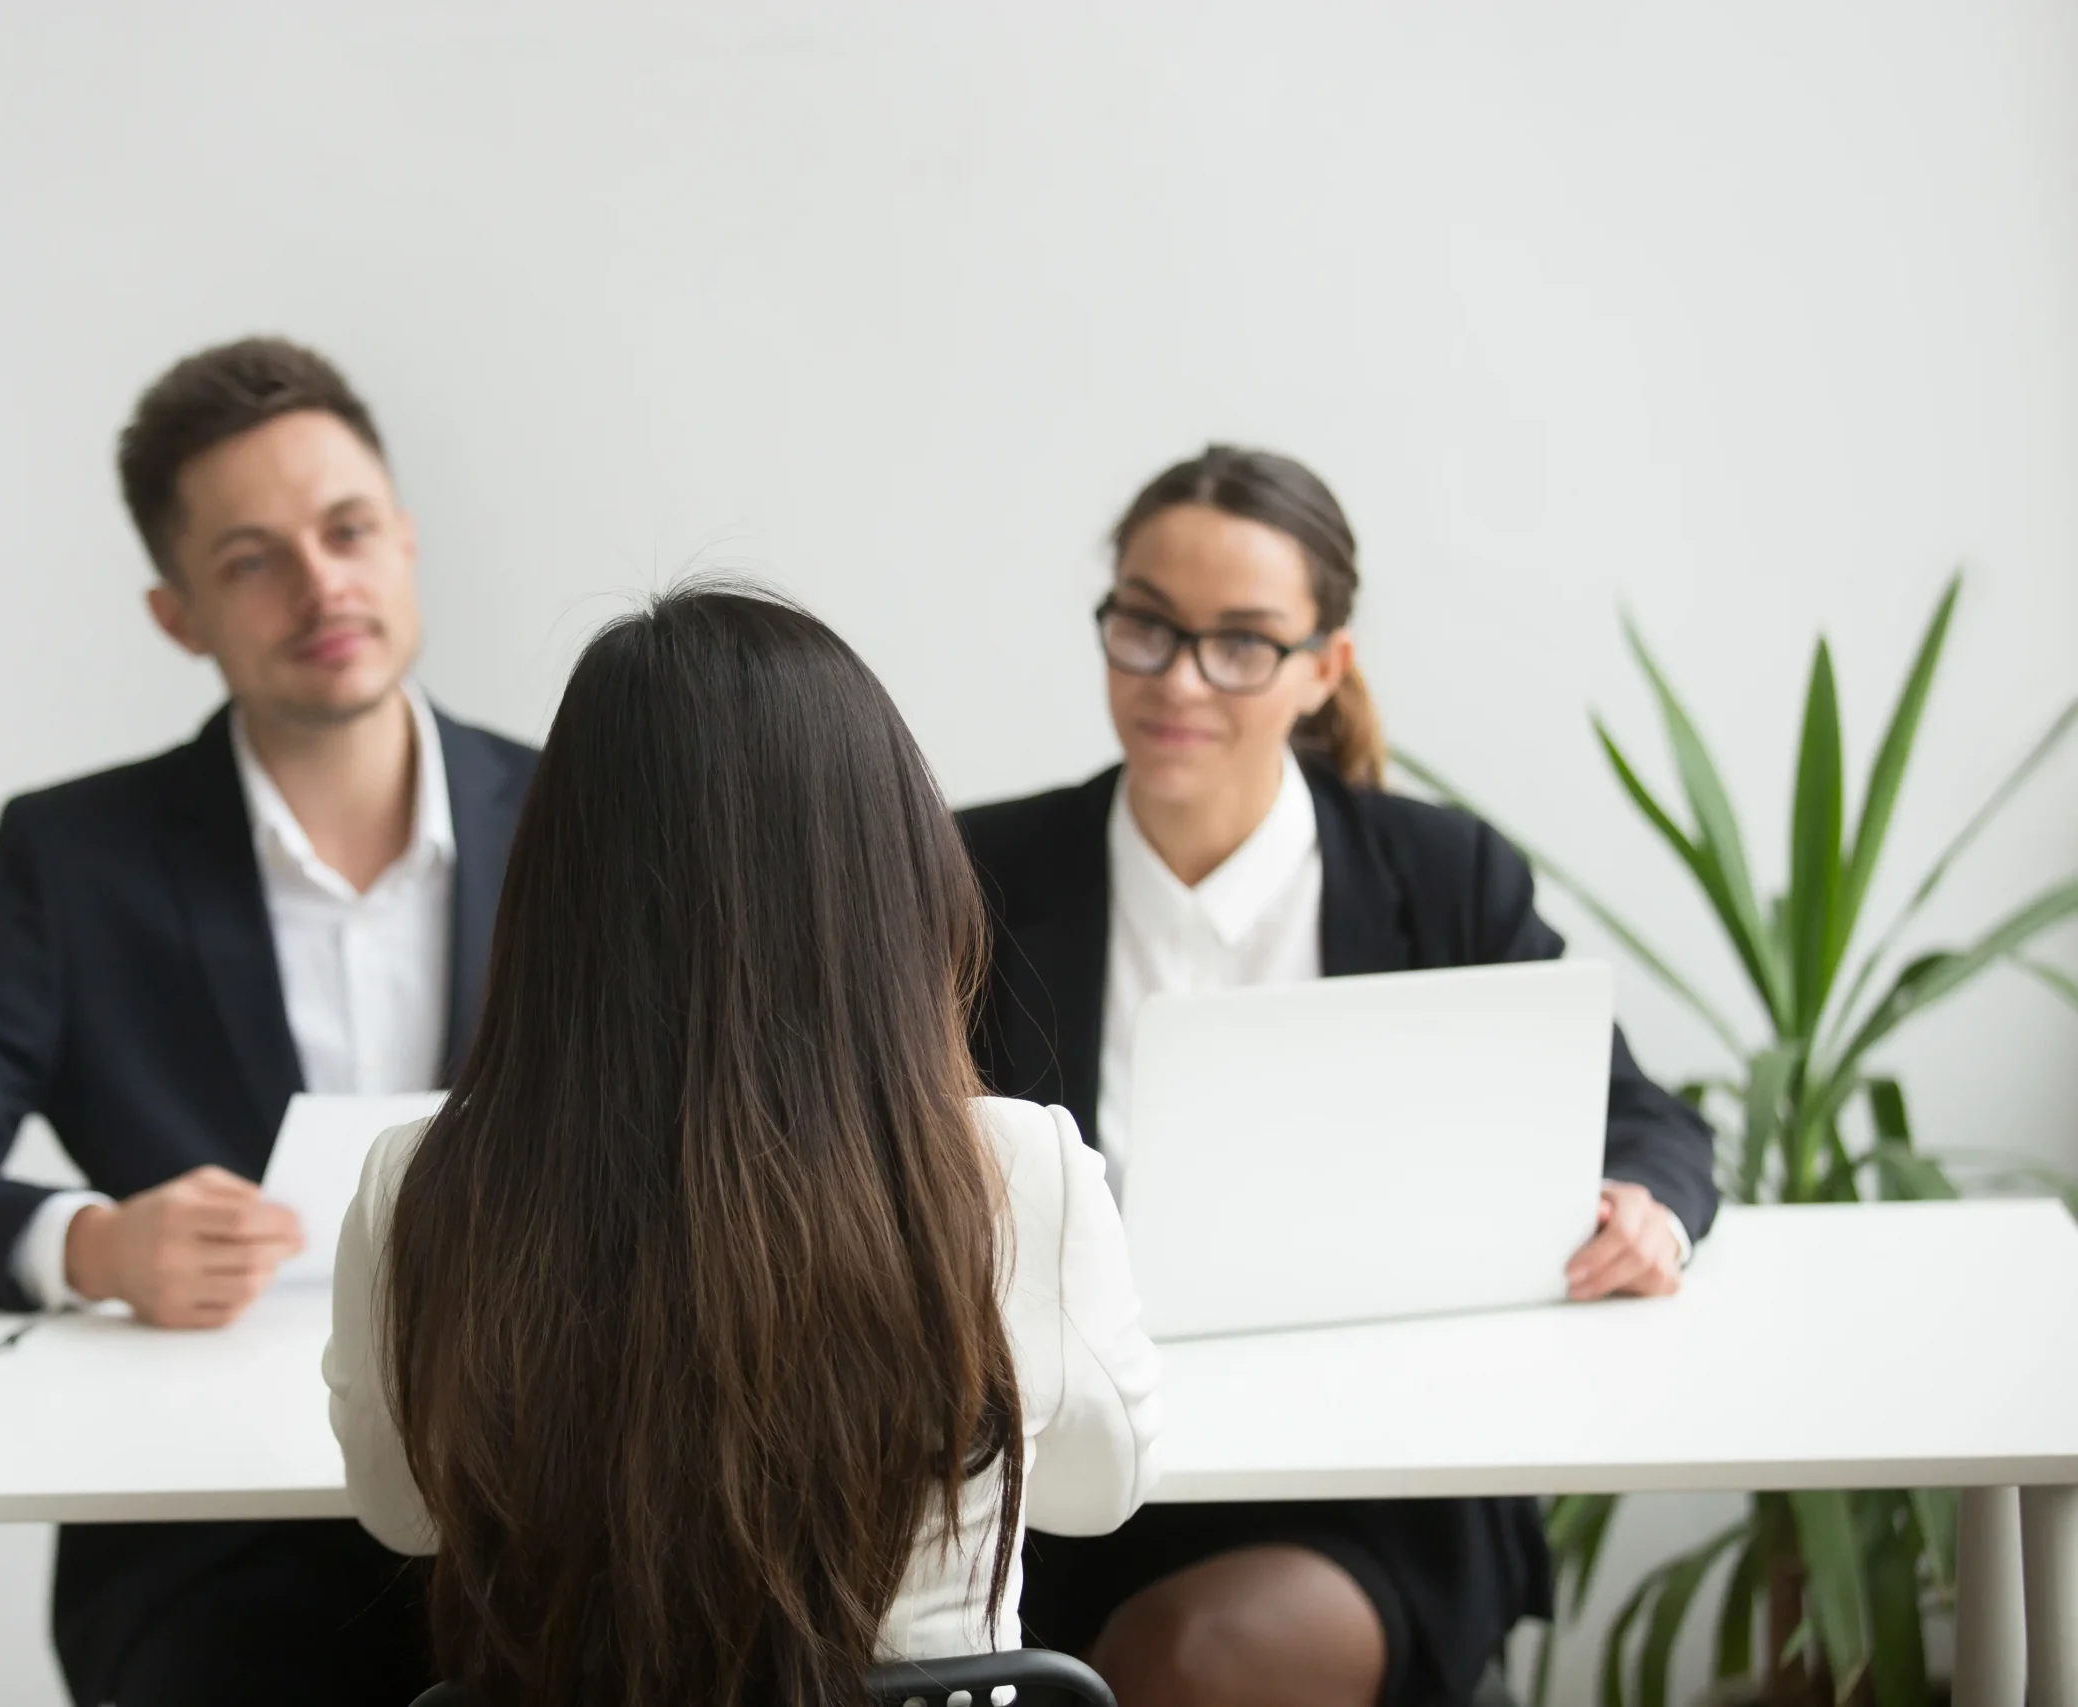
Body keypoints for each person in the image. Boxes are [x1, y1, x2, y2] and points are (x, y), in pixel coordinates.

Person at [0, 337, 536, 1707]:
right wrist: (91, 1240)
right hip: (212, 1537)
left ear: (405, 540)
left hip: (542, 1497)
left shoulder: (583, 814)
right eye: (254, 558)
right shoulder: (76, 857)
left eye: (347, 531)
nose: (321, 584)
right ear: (177, 614)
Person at [960, 446, 1719, 1707]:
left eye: (1242, 642)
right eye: (1145, 626)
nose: (1180, 679)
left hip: (1377, 1484)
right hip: (1072, 1482)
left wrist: (1646, 1206)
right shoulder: (984, 873)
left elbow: (1644, 1119)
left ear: (1325, 668)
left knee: (1187, 1666)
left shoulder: (1440, 877)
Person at [323, 585, 1165, 1706]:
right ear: (887, 875)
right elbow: (1098, 1493)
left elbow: (403, 1510)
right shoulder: (1014, 1172)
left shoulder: (422, 1181)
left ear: (556, 887)